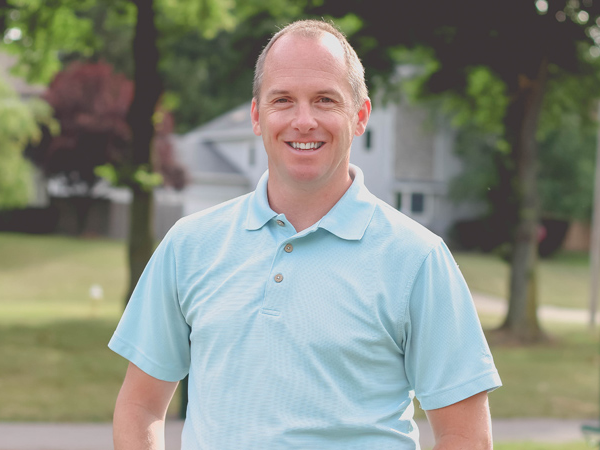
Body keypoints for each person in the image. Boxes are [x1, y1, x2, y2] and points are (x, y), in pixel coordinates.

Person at [109, 19, 501, 450]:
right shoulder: (189, 245)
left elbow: (466, 436)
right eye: (283, 100)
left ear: (360, 116)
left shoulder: (417, 259)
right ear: (257, 116)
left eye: (325, 100)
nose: (303, 121)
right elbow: (140, 408)